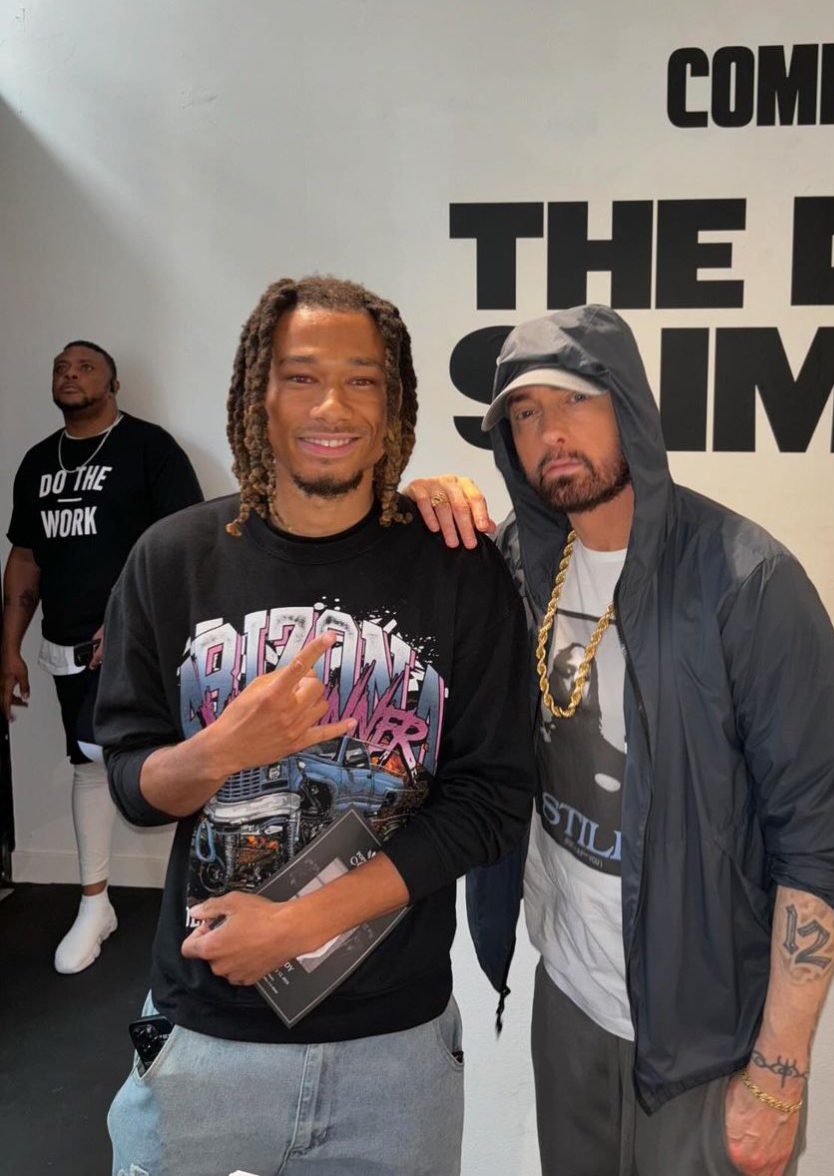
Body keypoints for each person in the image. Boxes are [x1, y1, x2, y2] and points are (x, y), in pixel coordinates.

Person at [406, 304, 834, 1176]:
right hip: (569, 992)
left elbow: (819, 844)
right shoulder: (516, 564)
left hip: (708, 1030)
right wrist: (412, 508)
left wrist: (778, 1078)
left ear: (627, 404)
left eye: (575, 401)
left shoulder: (746, 581)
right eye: (525, 413)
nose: (551, 433)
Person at [94, 276, 534, 1176]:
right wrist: (222, 750)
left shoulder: (457, 567)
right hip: (206, 1035)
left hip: (395, 1055)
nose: (332, 406)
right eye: (301, 377)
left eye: (362, 379)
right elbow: (134, 786)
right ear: (258, 394)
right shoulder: (171, 560)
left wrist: (298, 924)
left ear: (394, 401)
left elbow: (490, 801)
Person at [1, 340, 202, 973]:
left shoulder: (149, 448)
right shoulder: (39, 461)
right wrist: (8, 647)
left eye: (85, 367)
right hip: (64, 642)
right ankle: (95, 903)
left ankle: (202, 892)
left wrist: (130, 621)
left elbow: (185, 544)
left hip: (135, 640)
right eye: (60, 367)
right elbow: (25, 558)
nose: (70, 374)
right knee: (88, 764)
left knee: (127, 755)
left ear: (113, 384)